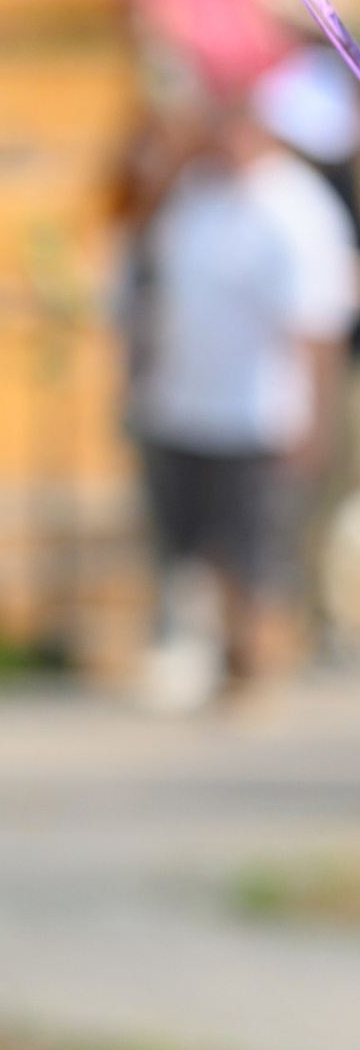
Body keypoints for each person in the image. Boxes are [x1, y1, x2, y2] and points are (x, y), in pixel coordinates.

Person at [121, 78, 358, 697]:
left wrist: (315, 416)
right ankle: (217, 659)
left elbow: (317, 323)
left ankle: (254, 666)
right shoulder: (191, 191)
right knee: (190, 543)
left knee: (252, 550)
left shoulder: (295, 208)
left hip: (256, 411)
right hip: (180, 401)